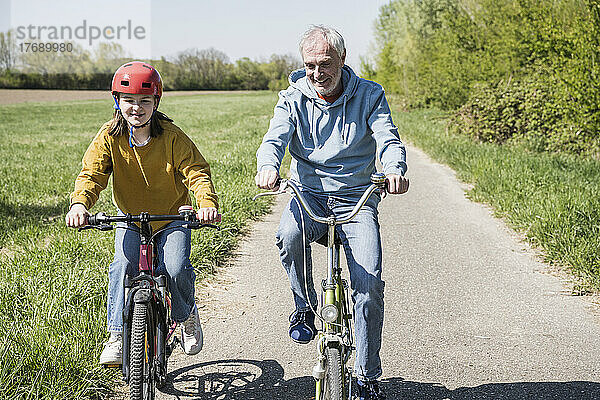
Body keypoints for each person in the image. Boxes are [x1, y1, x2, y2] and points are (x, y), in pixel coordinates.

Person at [255, 25, 409, 400]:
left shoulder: (369, 95)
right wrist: (268, 166)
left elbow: (388, 138)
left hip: (358, 197)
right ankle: (305, 308)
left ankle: (367, 376)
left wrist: (394, 169)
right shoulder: (292, 97)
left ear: (342, 59)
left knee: (369, 284)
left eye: (325, 64)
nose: (317, 73)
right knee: (288, 236)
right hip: (308, 195)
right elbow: (274, 139)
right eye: (310, 65)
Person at [65, 61, 219, 366]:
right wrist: (80, 203)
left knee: (175, 267)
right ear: (117, 101)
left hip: (172, 218)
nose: (137, 109)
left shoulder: (172, 137)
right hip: (130, 219)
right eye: (129, 101)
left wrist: (206, 203)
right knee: (122, 266)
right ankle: (117, 336)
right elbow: (92, 173)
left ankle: (186, 315)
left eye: (145, 101)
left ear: (156, 102)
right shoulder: (110, 136)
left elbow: (197, 172)